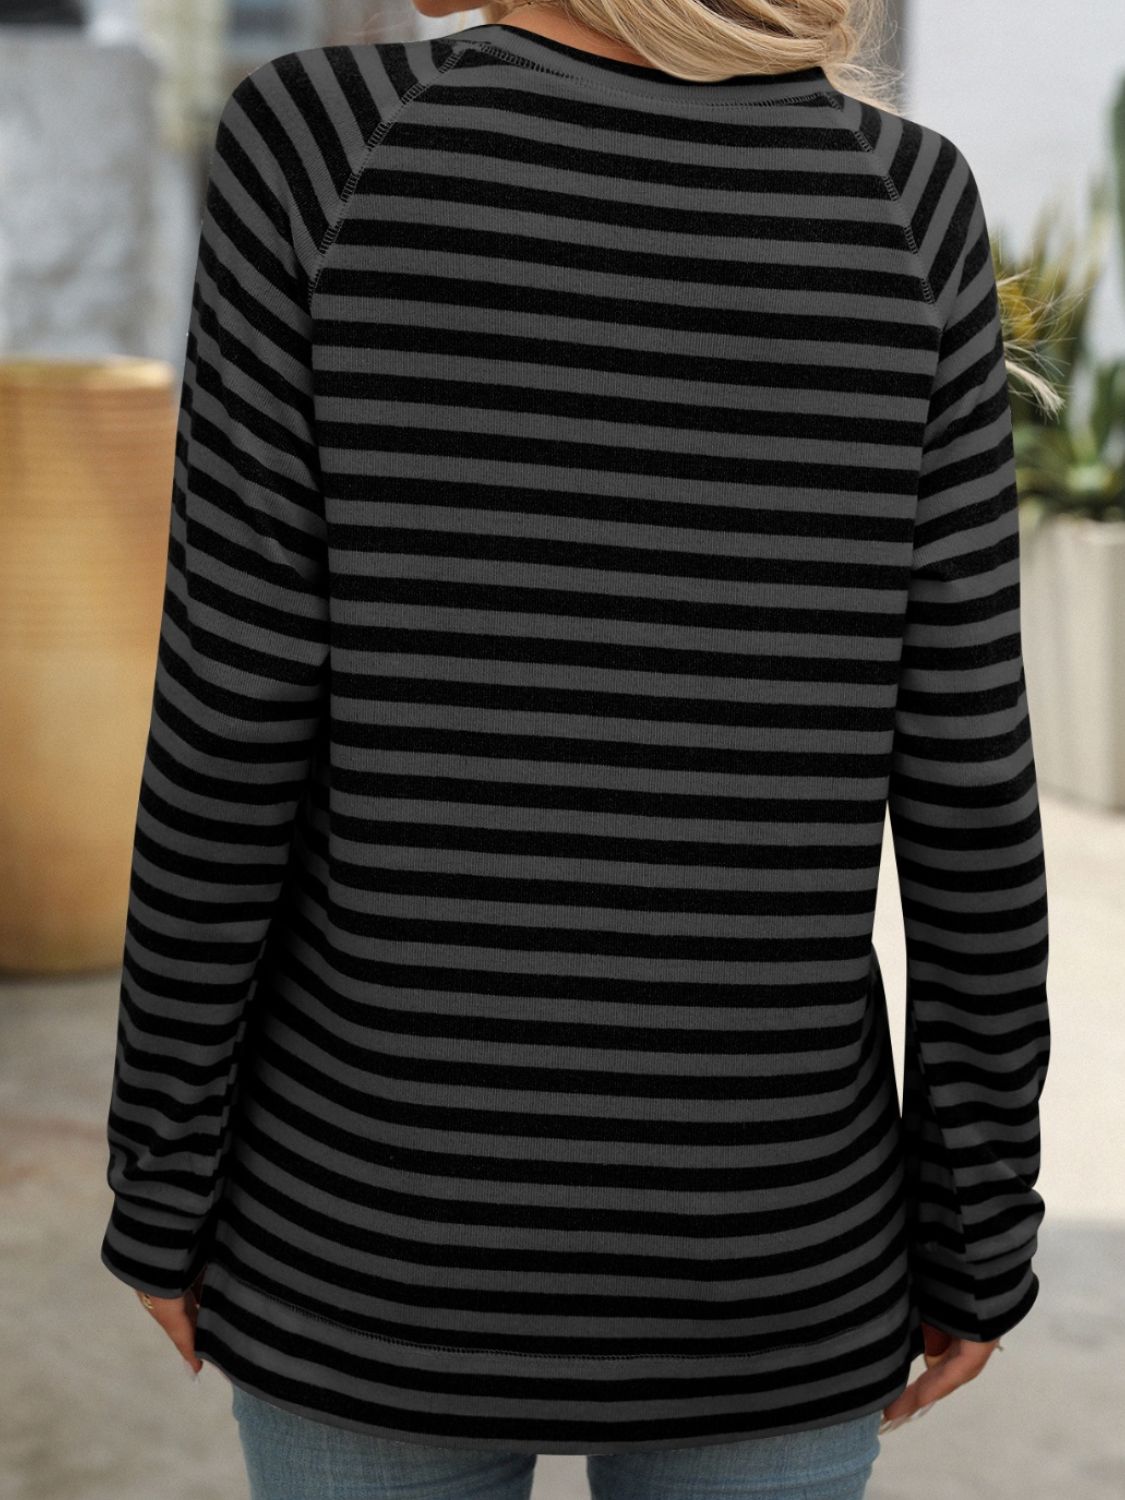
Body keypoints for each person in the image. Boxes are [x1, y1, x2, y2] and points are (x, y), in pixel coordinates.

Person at [99, 0, 1052, 1495]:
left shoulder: (322, 143)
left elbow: (232, 714)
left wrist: (161, 1175)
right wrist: (977, 1219)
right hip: (773, 1246)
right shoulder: (905, 197)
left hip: (369, 1233)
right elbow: (967, 775)